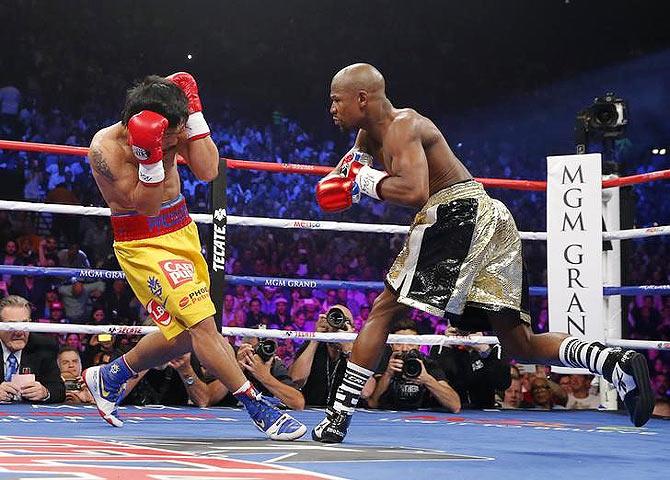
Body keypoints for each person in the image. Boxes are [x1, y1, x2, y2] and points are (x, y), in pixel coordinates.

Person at [312, 63, 653, 443]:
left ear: (363, 98)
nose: (332, 109)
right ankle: (613, 361)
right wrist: (346, 179)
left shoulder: (404, 126)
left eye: (336, 100)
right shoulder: (365, 135)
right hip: (489, 216)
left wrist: (364, 181)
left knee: (385, 309)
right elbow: (349, 173)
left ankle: (337, 417)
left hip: (455, 212)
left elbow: (414, 192)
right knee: (518, 342)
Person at [83, 73, 305, 440]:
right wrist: (149, 156)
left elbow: (208, 170)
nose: (176, 141)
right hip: (144, 243)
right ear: (140, 125)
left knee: (189, 334)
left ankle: (112, 376)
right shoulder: (105, 149)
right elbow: (148, 207)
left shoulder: (174, 124)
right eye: (171, 136)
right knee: (204, 325)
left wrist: (195, 117)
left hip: (182, 231)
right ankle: (259, 408)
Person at [366, 319, 460, 411]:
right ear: (391, 345)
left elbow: (455, 406)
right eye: (399, 343)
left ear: (419, 345)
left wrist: (427, 379)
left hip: (418, 419)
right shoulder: (383, 362)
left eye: (410, 343)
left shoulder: (427, 364)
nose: (405, 348)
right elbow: (373, 403)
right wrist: (388, 374)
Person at [289, 305, 374, 407]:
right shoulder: (312, 346)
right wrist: (316, 337)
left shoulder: (360, 350)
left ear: (352, 328)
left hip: (347, 413)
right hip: (311, 410)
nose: (336, 324)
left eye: (343, 320)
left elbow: (366, 392)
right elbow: (296, 380)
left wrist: (348, 350)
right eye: (332, 318)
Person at [0, 295, 65, 403]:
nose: (19, 332)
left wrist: (45, 393)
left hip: (31, 415)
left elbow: (58, 389)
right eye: (12, 325)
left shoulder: (44, 346)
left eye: (24, 324)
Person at [430, 327, 511, 409]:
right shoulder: (440, 347)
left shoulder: (493, 345)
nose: (463, 331)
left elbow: (503, 384)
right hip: (448, 410)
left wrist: (485, 350)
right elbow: (437, 380)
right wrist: (446, 346)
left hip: (483, 412)